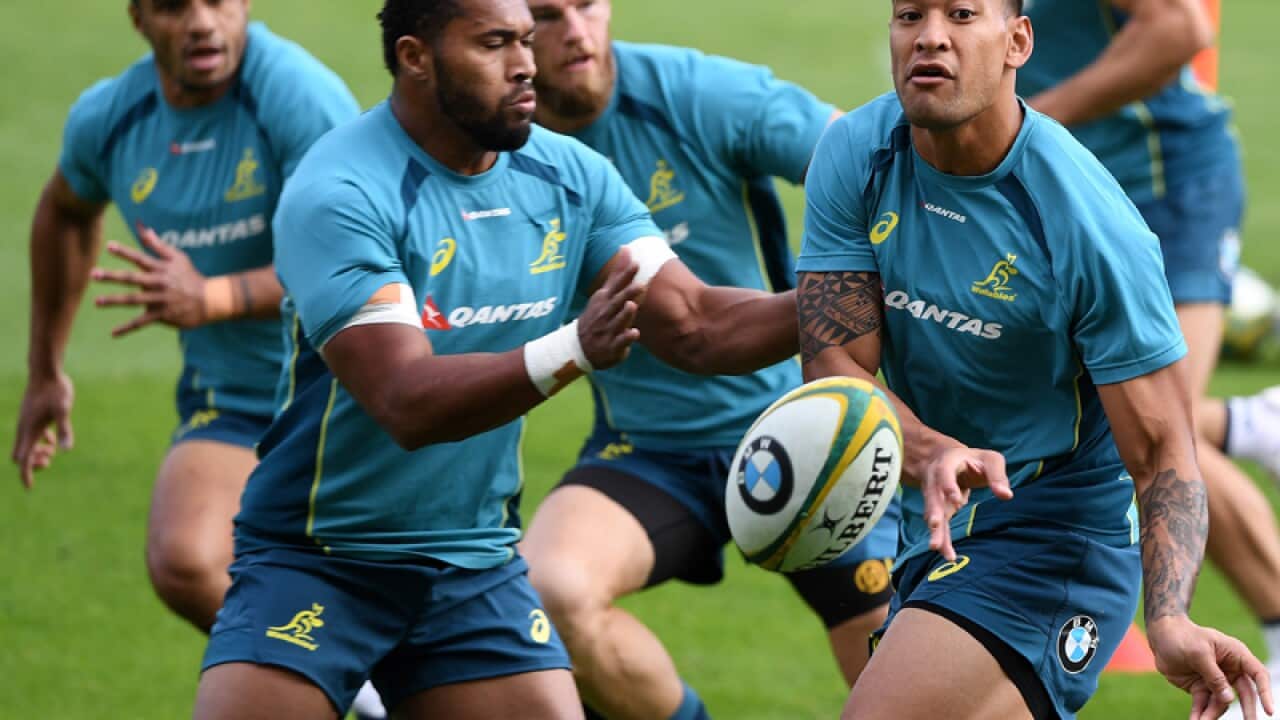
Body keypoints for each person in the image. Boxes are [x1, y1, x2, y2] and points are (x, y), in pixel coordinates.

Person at [192, 0, 803, 717]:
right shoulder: (342, 191)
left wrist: (849, 295)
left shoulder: (571, 176)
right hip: (322, 558)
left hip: (472, 562)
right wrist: (572, 349)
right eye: (493, 44)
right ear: (416, 58)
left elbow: (696, 323)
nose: (524, 66)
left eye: (524, 41)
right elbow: (405, 400)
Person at [796, 1, 1272, 718]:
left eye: (961, 14)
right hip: (935, 527)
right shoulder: (858, 151)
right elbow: (834, 359)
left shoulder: (1087, 223)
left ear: (1018, 41)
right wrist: (928, 449)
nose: (930, 36)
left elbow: (1162, 449)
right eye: (909, 15)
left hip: (1052, 539)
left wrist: (1169, 615)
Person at [519, 2, 899, 718]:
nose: (575, 30)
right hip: (649, 448)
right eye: (546, 14)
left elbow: (868, 164)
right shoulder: (503, 153)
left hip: (806, 428)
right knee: (549, 592)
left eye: (586, 4)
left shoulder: (697, 94)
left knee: (903, 674)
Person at [1017, 1, 1280, 711]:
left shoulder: (1041, 133)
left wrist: (1037, 121)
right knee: (1107, 417)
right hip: (1065, 192)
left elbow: (1180, 25)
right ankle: (1253, 425)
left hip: (1163, 184)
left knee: (1166, 429)